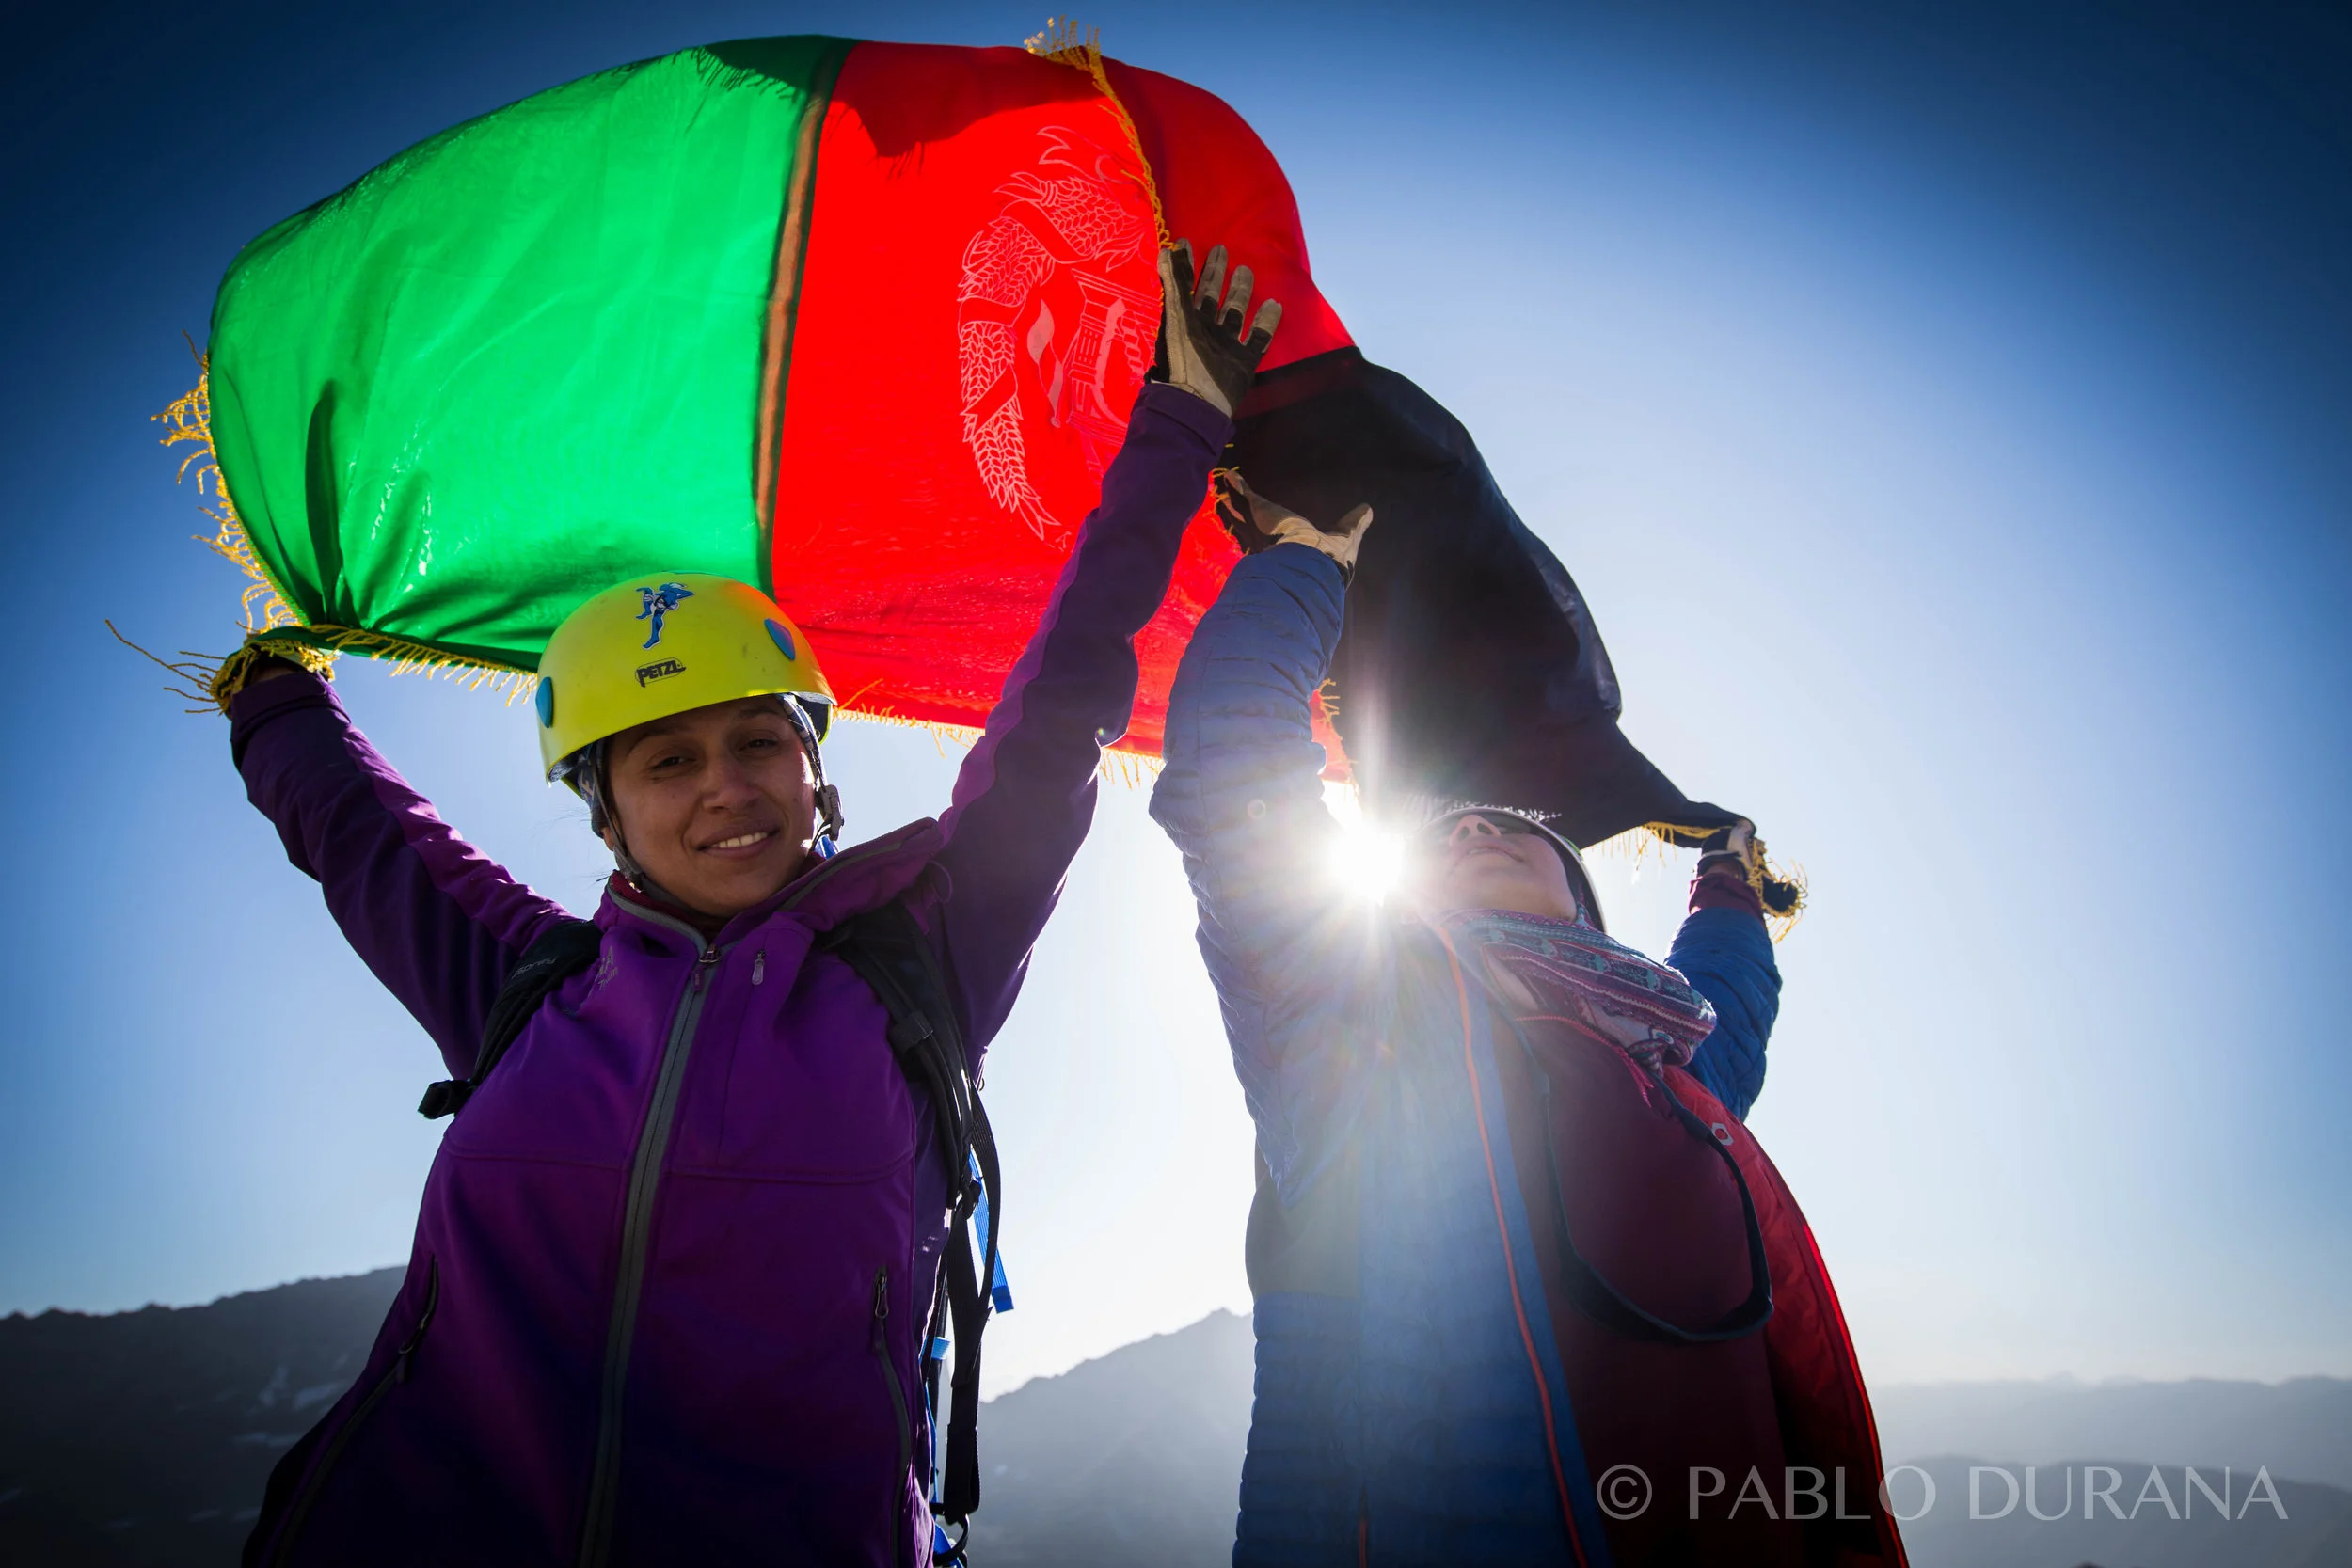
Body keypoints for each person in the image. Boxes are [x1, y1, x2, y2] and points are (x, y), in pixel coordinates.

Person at [225, 240, 1279, 1567]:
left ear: (814, 769)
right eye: (668, 758)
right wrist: (264, 699)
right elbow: (361, 834)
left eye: (759, 743)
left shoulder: (923, 955)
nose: (727, 787)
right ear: (606, 810)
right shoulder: (523, 980)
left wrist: (1176, 424)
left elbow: (1064, 693)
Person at [1149, 492, 1910, 1567]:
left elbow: (1722, 991)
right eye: (1452, 826)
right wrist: (1310, 562)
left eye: (1509, 824)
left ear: (1581, 895)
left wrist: (1730, 875)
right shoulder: (1346, 1024)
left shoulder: (1670, 1069)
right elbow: (1232, 782)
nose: (1474, 822)